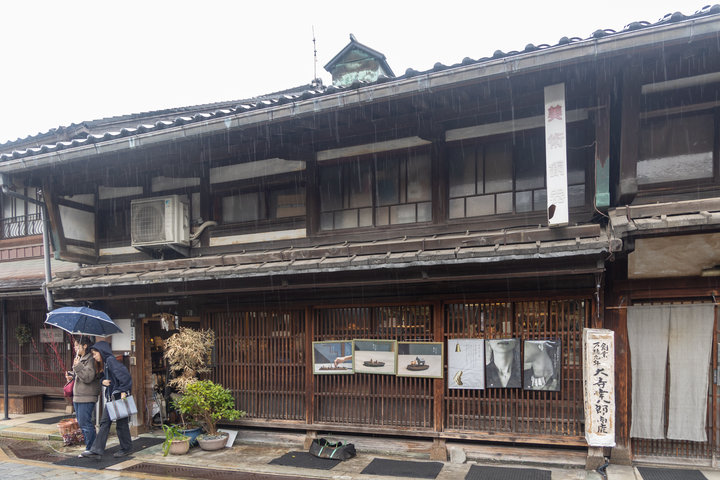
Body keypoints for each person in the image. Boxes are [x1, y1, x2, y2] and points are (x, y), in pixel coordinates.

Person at [79, 341, 133, 459]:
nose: (94, 357)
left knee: (117, 424)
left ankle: (122, 448)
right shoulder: (107, 362)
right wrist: (102, 381)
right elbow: (108, 378)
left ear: (101, 352)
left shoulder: (110, 361)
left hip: (117, 397)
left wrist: (123, 390)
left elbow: (125, 376)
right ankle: (98, 450)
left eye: (95, 354)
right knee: (108, 423)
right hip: (113, 397)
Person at [65, 336, 101, 451]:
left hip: (86, 396)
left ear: (85, 346)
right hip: (79, 396)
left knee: (85, 424)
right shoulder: (81, 358)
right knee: (82, 423)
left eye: (77, 345)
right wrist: (72, 376)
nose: (75, 348)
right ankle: (91, 447)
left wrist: (78, 366)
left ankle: (92, 448)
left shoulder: (90, 359)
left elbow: (88, 377)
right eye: (74, 345)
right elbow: (81, 375)